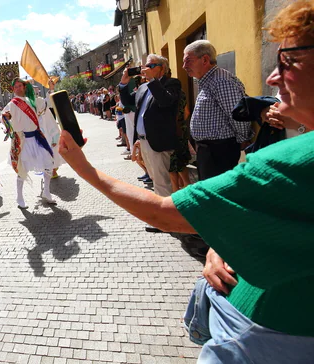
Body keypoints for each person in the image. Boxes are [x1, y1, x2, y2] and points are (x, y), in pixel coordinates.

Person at [58, 2, 314, 361]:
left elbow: (165, 210)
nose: (272, 77)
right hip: (199, 151)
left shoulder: (287, 157)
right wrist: (223, 242)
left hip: (262, 334)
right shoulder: (164, 85)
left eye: (286, 60)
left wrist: (85, 169)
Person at [183, 40, 254, 180]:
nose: (184, 66)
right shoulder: (207, 81)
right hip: (210, 151)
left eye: (188, 61)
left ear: (205, 59)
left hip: (220, 151)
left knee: (218, 193)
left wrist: (242, 140)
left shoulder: (221, 81)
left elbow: (237, 116)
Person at [119, 54, 181, 201]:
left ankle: (166, 220)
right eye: (145, 66)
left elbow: (165, 101)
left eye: (151, 66)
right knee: (155, 180)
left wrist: (153, 81)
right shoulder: (143, 87)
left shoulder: (171, 83)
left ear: (162, 68)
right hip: (144, 141)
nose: (146, 69)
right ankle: (164, 216)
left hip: (159, 142)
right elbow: (128, 101)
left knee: (163, 183)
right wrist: (123, 83)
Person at [2, 78, 56, 209]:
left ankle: (46, 192)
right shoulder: (13, 104)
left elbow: (47, 103)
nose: (18, 88)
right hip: (23, 141)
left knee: (49, 164)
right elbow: (4, 115)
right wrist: (6, 118)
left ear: (24, 87)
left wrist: (51, 89)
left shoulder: (33, 100)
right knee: (22, 170)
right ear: (13, 89)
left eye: (20, 86)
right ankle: (19, 197)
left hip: (37, 138)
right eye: (16, 87)